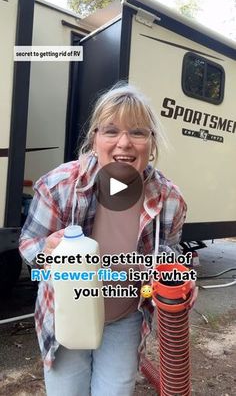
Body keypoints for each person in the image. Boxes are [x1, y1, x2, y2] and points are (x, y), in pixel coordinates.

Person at [19, 83, 187, 396]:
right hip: (67, 315)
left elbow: (171, 256)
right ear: (95, 140)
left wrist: (176, 279)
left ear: (151, 144)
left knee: (115, 391)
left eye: (138, 132)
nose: (124, 143)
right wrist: (47, 251)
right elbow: (29, 244)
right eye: (111, 131)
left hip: (125, 316)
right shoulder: (59, 186)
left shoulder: (169, 199)